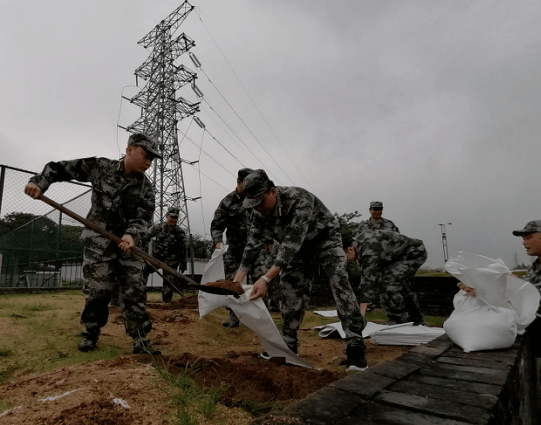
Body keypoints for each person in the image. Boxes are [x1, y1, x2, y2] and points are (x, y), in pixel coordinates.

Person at [24, 133, 161, 354]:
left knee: (134, 290)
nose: (148, 162)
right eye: (146, 156)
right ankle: (90, 334)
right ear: (129, 150)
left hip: (129, 245)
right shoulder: (101, 167)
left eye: (152, 159)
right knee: (98, 291)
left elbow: (144, 218)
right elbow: (61, 168)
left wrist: (131, 235)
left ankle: (139, 339)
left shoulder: (146, 188)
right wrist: (39, 181)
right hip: (98, 242)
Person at [233, 169, 367, 371]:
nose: (258, 208)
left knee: (339, 282)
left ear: (272, 191)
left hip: (324, 242)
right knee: (290, 289)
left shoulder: (299, 200)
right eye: (253, 204)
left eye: (260, 202)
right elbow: (252, 244)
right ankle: (288, 344)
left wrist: (266, 279)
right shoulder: (258, 211)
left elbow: (290, 245)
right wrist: (236, 281)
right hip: (297, 251)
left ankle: (355, 344)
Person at [459, 220, 541, 357]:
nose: (524, 243)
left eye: (528, 237)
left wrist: (488, 290)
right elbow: (525, 286)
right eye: (523, 239)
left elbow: (532, 297)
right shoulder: (535, 266)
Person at [210, 168, 255, 328]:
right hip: (235, 250)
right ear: (239, 182)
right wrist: (217, 241)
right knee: (232, 283)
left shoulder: (255, 198)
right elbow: (216, 225)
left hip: (256, 248)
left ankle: (258, 318)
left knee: (260, 281)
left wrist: (269, 243)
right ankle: (234, 317)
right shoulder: (227, 202)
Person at [354, 229, 426, 325]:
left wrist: (361, 315)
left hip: (413, 253)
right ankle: (416, 318)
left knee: (387, 282)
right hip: (397, 256)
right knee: (403, 287)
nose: (348, 261)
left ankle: (398, 319)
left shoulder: (369, 251)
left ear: (350, 249)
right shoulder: (360, 242)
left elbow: (367, 281)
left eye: (345, 258)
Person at [141, 207, 187, 303]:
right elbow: (145, 237)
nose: (173, 220)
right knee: (143, 273)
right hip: (156, 258)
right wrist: (142, 252)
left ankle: (166, 304)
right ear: (167, 216)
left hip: (171, 261)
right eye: (171, 217)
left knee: (168, 283)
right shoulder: (158, 227)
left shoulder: (180, 233)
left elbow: (183, 250)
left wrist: (183, 264)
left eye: (176, 218)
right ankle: (141, 298)